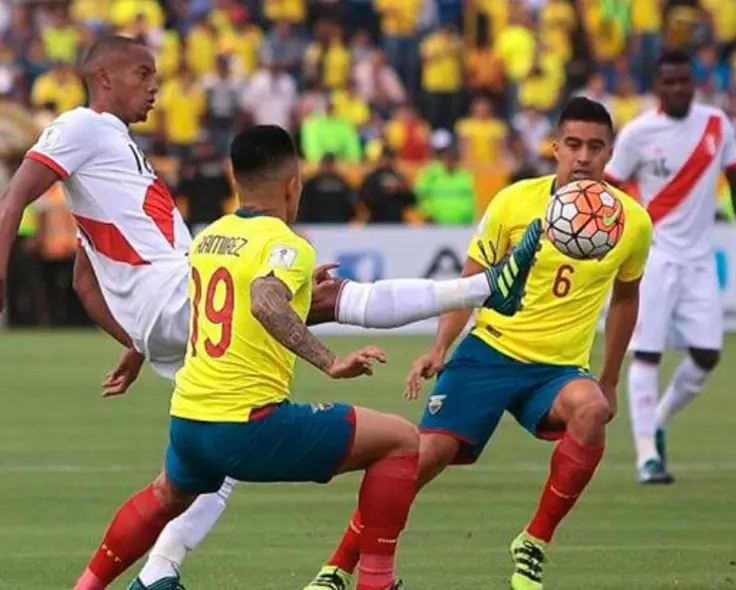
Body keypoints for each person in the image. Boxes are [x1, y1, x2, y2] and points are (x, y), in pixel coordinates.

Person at [0, 36, 542, 590]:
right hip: (174, 294)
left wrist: (142, 342)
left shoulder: (120, 161)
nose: (155, 85)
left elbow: (83, 280)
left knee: (200, 466)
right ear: (105, 77)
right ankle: (482, 290)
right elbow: (12, 198)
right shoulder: (81, 128)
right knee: (328, 304)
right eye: (142, 73)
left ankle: (154, 574)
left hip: (175, 303)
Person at [72, 124, 474, 590]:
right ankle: (376, 583)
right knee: (402, 439)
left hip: (189, 420)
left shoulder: (208, 238)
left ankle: (87, 586)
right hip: (249, 425)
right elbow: (264, 300)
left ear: (233, 177)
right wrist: (330, 361)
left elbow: (243, 299)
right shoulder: (290, 245)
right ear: (292, 184)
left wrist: (298, 290)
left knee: (166, 494)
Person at [302, 96, 654, 590]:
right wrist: (440, 346)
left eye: (596, 147)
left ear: (610, 153)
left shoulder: (631, 222)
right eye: (573, 144)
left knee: (592, 410)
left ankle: (534, 541)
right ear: (554, 146)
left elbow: (626, 299)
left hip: (557, 370)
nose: (583, 157)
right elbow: (469, 281)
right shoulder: (514, 202)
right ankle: (338, 566)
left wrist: (611, 378)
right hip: (489, 352)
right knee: (420, 459)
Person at [603, 49, 736, 485]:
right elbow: (608, 188)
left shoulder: (716, 124)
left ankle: (658, 418)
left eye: (683, 81)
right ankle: (646, 457)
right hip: (653, 258)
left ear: (693, 83)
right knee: (648, 354)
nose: (676, 89)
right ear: (657, 86)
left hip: (699, 260)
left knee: (707, 355)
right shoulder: (638, 133)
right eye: (668, 82)